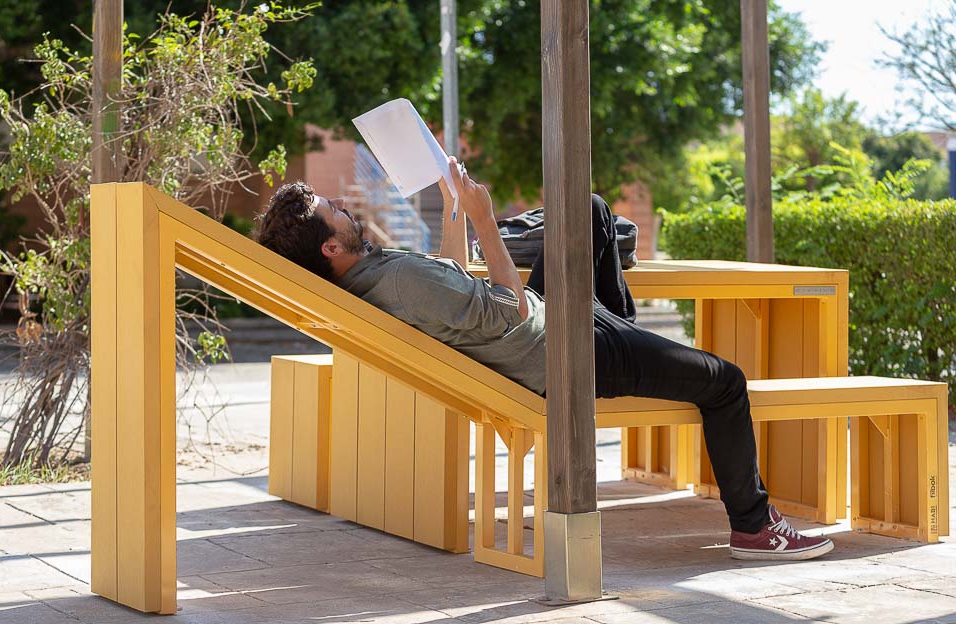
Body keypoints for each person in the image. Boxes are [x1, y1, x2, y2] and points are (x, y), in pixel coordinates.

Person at [253, 157, 834, 561]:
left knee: (585, 210)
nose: (346, 207)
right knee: (726, 381)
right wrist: (485, 220)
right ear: (331, 245)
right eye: (334, 210)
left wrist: (455, 208)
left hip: (554, 323)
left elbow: (453, 283)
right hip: (564, 353)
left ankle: (635, 344)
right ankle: (754, 527)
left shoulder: (376, 278)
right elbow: (508, 310)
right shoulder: (398, 281)